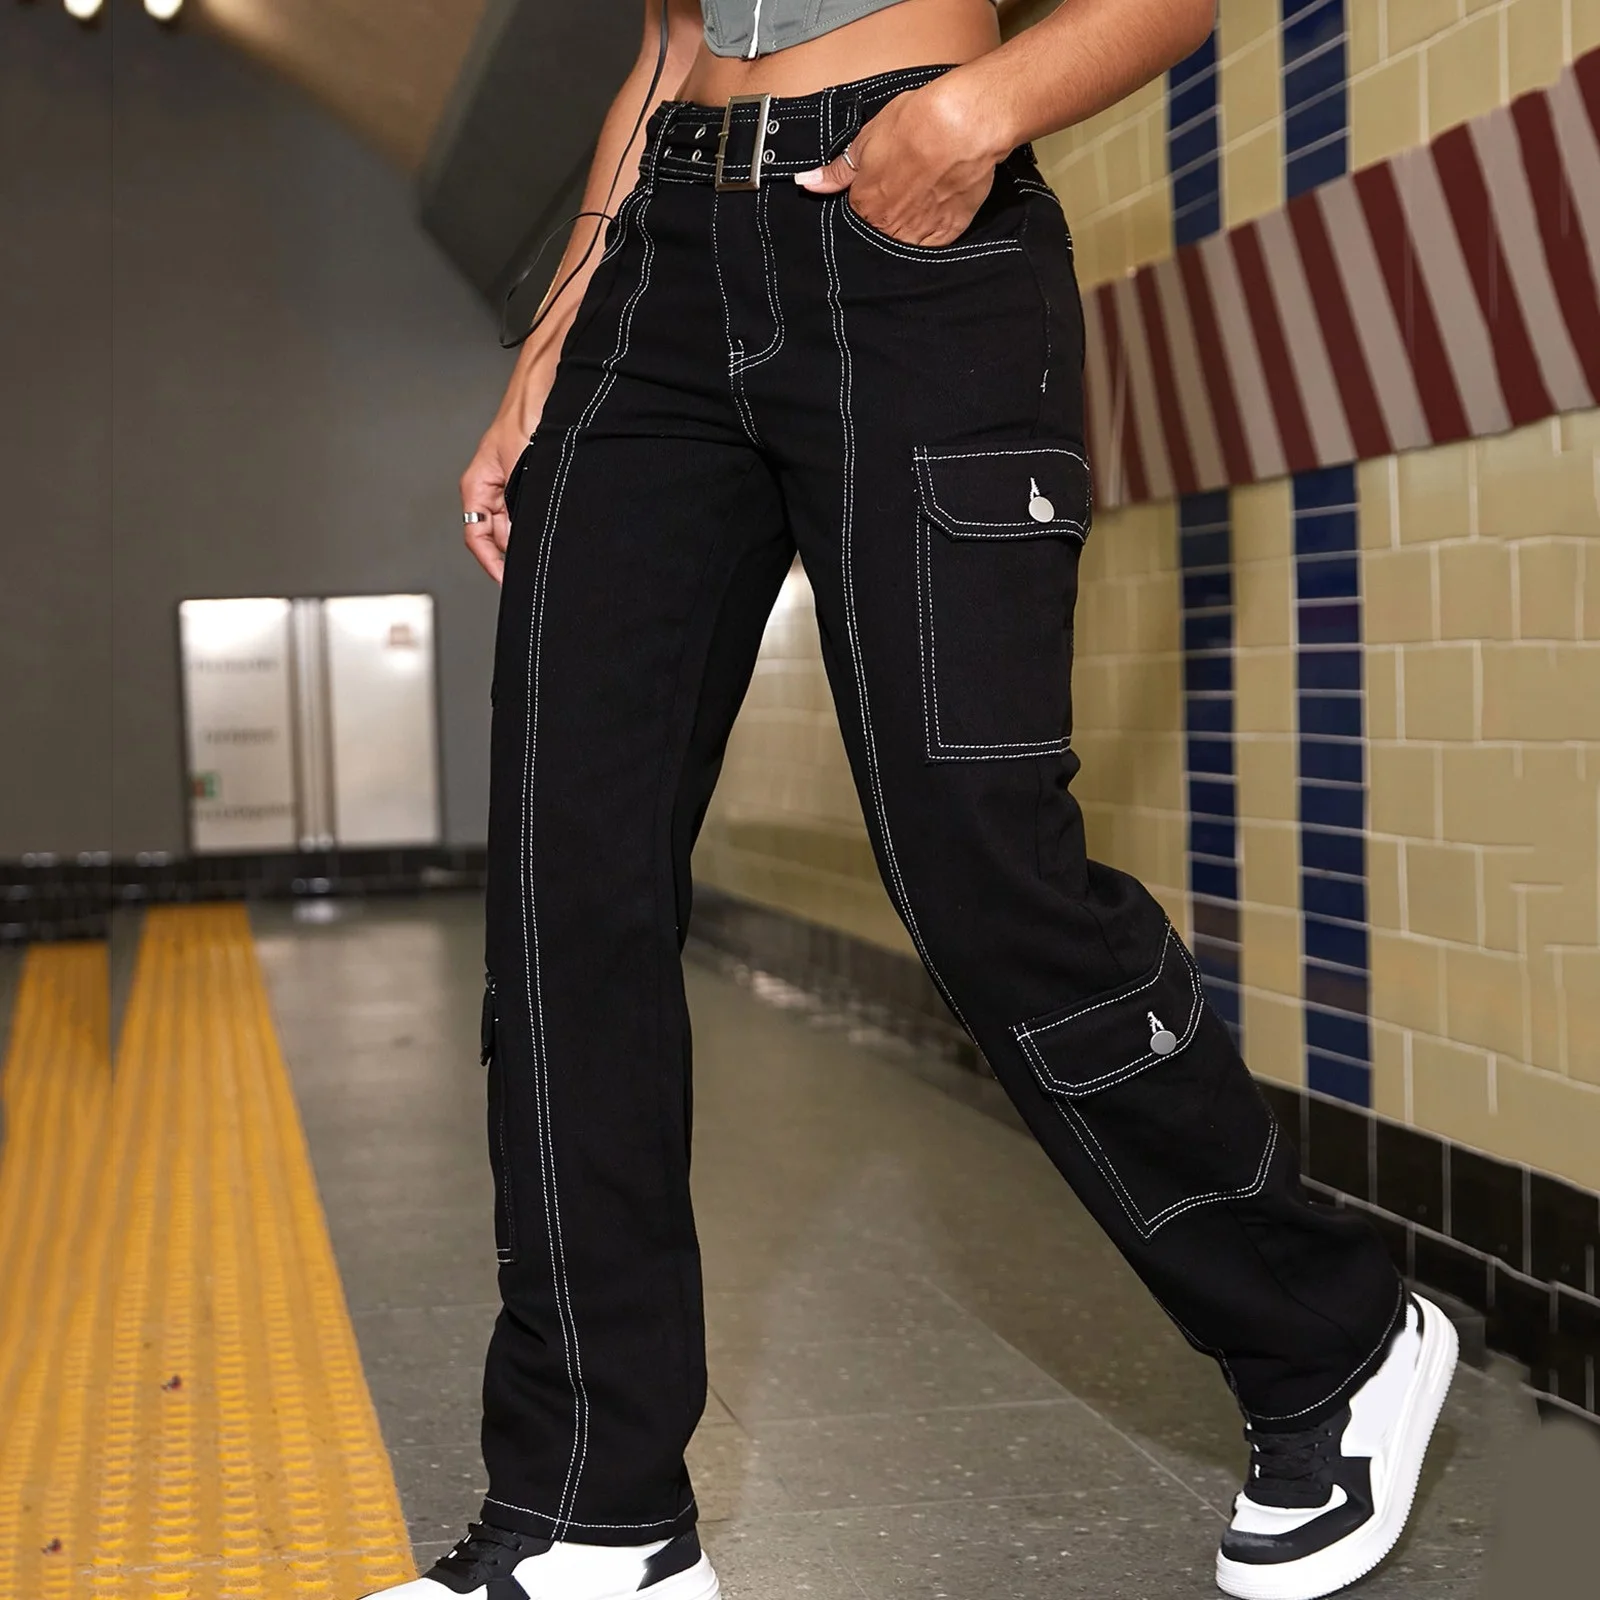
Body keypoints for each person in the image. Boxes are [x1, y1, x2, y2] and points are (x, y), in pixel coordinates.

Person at [366, 3, 1457, 1598]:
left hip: (905, 236)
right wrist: (553, 334)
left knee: (977, 869)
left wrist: (976, 114)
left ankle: (1331, 1337)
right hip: (656, 276)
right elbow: (667, 40)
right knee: (562, 891)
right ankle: (591, 1515)